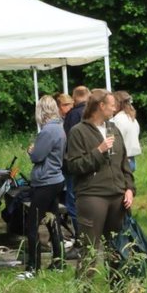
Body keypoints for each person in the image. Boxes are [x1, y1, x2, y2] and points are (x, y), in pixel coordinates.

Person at [64, 89, 135, 292]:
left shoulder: (113, 128)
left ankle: (118, 286)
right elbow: (74, 166)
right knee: (90, 247)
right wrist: (99, 151)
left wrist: (129, 188)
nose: (115, 108)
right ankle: (84, 289)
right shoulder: (79, 131)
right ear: (100, 106)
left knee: (117, 245)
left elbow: (124, 162)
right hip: (92, 195)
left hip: (117, 195)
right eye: (111, 104)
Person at [21, 95, 66, 278]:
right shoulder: (60, 128)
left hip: (45, 181)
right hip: (56, 179)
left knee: (32, 224)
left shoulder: (47, 131)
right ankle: (59, 261)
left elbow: (37, 156)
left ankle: (33, 267)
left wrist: (31, 150)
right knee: (53, 222)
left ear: (41, 111)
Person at [62, 85, 90, 235]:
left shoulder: (73, 115)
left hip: (75, 164)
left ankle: (80, 236)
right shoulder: (94, 112)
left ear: (74, 97)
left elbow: (68, 141)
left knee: (73, 200)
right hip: (92, 162)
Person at [109, 91, 142, 174]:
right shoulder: (133, 119)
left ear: (118, 104)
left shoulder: (117, 120)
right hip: (131, 160)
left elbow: (114, 141)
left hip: (121, 160)